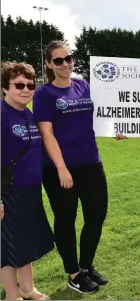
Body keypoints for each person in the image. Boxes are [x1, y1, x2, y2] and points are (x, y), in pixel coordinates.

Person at [33, 41, 108, 294]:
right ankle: (74, 274)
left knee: (96, 215)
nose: (65, 64)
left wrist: (119, 130)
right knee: (66, 219)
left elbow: (97, 119)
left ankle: (86, 267)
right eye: (58, 60)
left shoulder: (82, 84)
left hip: (90, 161)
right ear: (48, 64)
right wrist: (62, 168)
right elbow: (47, 133)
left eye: (68, 58)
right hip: (58, 168)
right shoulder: (44, 94)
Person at [1, 61, 54, 300]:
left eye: (30, 85)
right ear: (5, 88)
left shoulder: (27, 113)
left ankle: (27, 288)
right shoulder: (2, 115)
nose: (25, 89)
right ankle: (13, 294)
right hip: (9, 192)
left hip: (30, 190)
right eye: (18, 84)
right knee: (7, 245)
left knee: (24, 241)